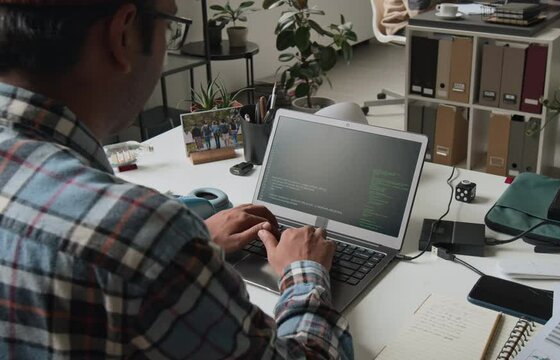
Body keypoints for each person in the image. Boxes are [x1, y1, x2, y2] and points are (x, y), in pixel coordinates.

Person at [0, 0, 352, 358]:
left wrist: (194, 247)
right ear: (122, 35)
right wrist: (304, 272)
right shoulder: (140, 235)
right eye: (169, 27)